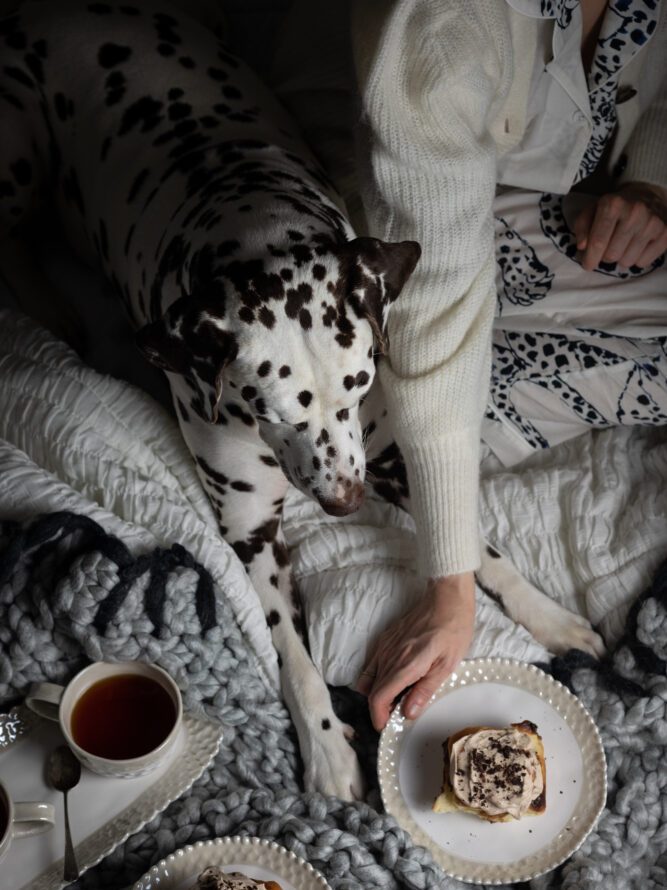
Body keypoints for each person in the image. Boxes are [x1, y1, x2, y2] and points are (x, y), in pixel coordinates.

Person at [272, 0, 667, 730]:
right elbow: (432, 287)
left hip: (534, 215)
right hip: (382, 231)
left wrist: (645, 186)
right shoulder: (449, 17)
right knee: (355, 408)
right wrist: (451, 584)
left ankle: (434, 426)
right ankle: (425, 435)